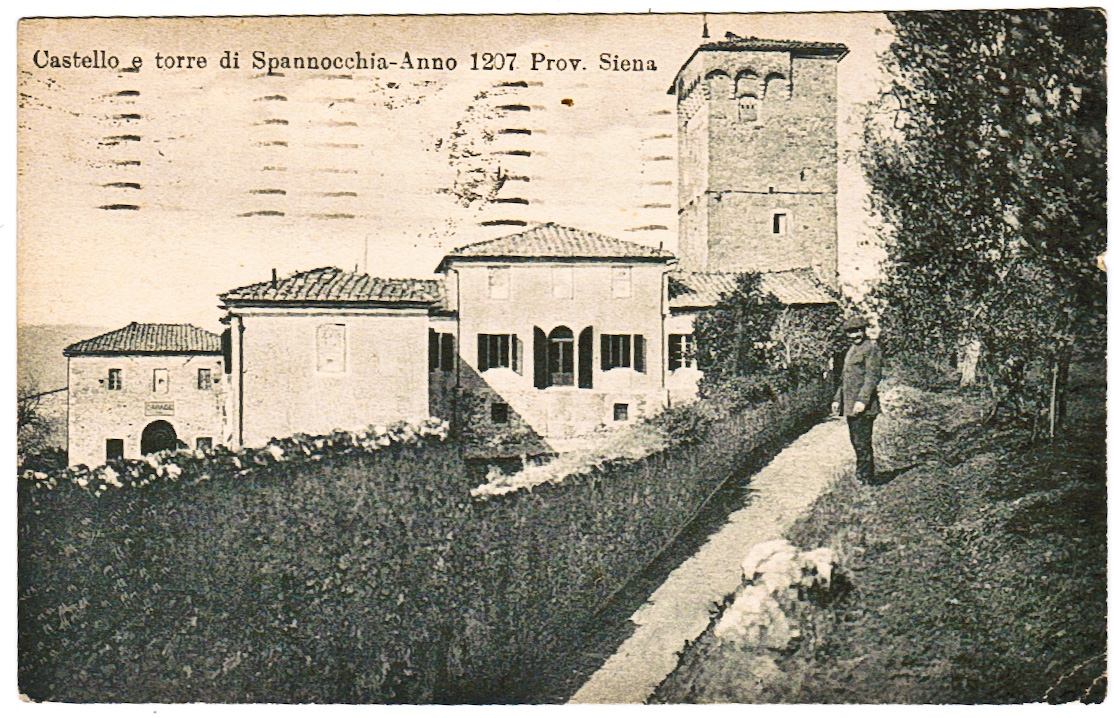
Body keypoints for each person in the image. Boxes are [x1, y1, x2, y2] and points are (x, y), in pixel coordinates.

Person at [832, 315, 882, 484]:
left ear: (864, 330)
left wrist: (862, 400)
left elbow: (872, 377)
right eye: (851, 333)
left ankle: (866, 479)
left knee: (862, 443)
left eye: (858, 331)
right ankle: (862, 476)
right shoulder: (852, 350)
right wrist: (837, 399)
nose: (855, 336)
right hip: (850, 406)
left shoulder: (871, 348)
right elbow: (845, 379)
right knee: (856, 442)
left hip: (863, 407)